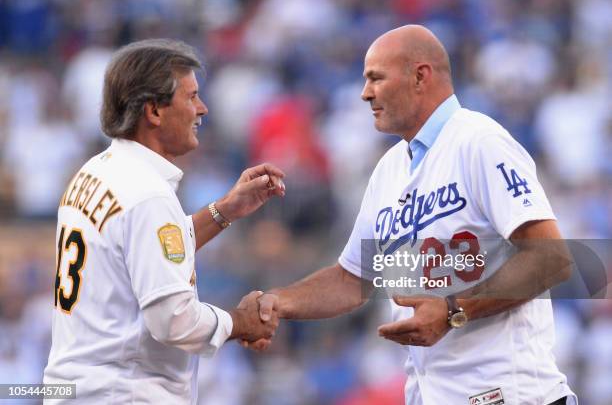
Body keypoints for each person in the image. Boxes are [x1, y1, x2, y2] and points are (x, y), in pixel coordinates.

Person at [252, 25, 577, 405]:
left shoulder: (479, 142)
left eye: (376, 77)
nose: (365, 92)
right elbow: (351, 279)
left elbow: (551, 258)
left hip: (514, 394)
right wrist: (278, 302)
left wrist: (454, 309)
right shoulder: (389, 168)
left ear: (420, 76)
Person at [43, 39, 283, 404]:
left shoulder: (94, 171)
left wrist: (225, 211)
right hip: (123, 393)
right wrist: (239, 322)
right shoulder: (147, 193)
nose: (201, 109)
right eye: (191, 97)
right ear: (154, 111)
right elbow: (173, 320)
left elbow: (143, 253)